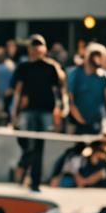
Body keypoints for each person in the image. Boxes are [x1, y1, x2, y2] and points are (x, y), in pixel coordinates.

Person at [11, 33, 66, 191]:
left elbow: (58, 90)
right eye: (33, 47)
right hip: (28, 111)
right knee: (28, 145)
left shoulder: (50, 67)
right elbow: (18, 91)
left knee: (39, 146)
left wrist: (60, 110)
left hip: (45, 111)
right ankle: (23, 170)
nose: (36, 50)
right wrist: (14, 113)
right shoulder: (24, 67)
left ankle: (34, 181)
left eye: (38, 46)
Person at [67, 43, 106, 136]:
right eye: (95, 55)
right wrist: (82, 122)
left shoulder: (103, 77)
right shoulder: (75, 74)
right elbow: (71, 102)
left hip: (98, 122)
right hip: (78, 123)